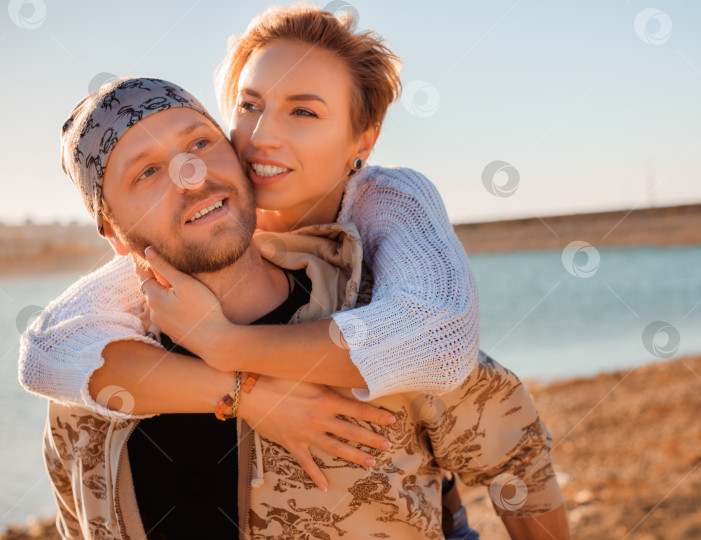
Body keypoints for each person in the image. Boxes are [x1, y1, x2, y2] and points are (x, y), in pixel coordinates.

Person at [43, 77, 570, 539]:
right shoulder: (89, 391)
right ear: (114, 232)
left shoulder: (376, 322)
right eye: (146, 173)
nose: (191, 175)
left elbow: (516, 457)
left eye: (200, 142)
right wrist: (242, 395)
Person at [20, 3, 480, 485]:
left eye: (303, 111)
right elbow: (49, 348)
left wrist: (224, 342)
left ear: (363, 140)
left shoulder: (386, 199)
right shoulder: (215, 217)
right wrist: (245, 394)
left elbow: (441, 336)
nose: (263, 137)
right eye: (250, 106)